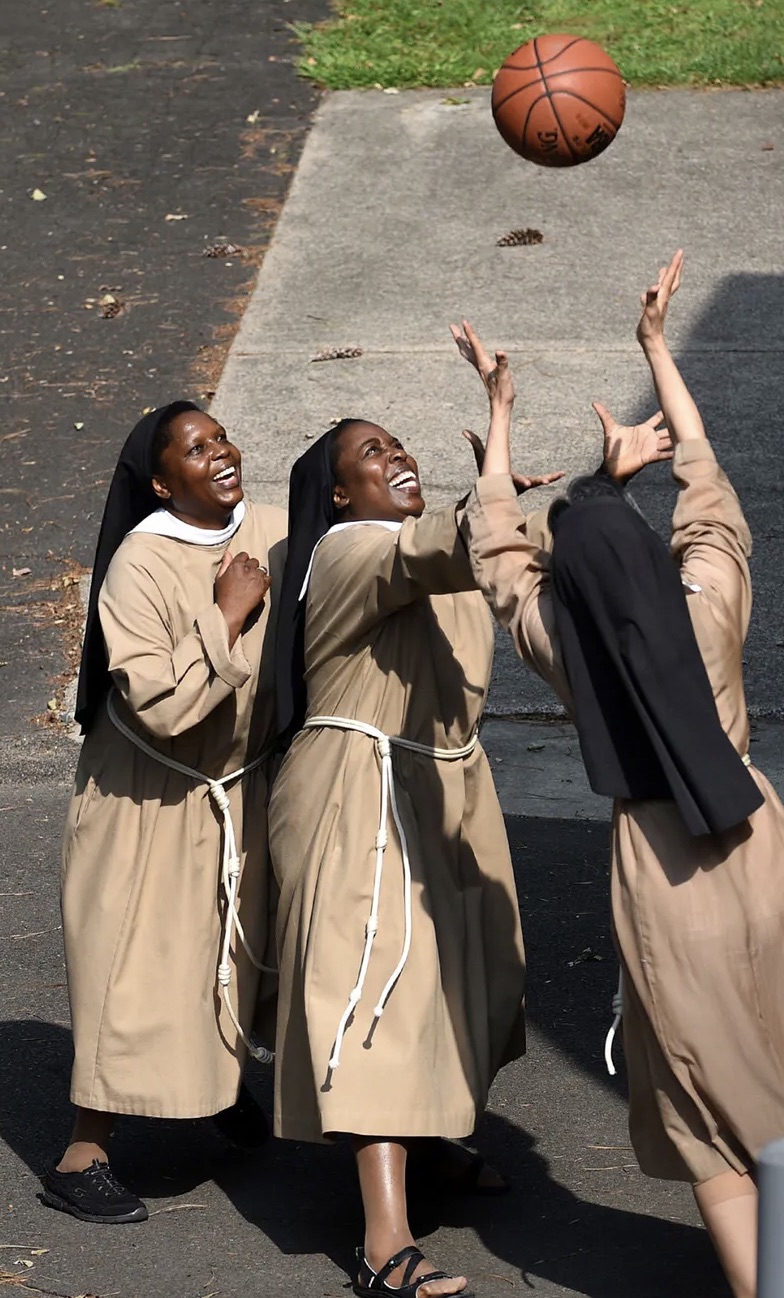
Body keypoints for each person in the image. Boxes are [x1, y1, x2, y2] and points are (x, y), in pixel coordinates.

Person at [453, 253, 784, 1298]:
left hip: (658, 872)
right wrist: (655, 348)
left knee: (710, 1092)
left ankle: (775, 1287)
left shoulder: (560, 650)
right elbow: (704, 477)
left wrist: (500, 415)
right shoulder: (706, 603)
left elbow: (500, 551)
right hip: (757, 839)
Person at [269, 409, 559, 1298]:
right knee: (379, 995)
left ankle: (429, 1150)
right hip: (361, 790)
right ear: (339, 492)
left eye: (397, 444)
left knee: (455, 979)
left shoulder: (422, 550)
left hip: (436, 787)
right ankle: (383, 1241)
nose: (396, 457)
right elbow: (445, 545)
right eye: (371, 454)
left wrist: (589, 486)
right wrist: (497, 452)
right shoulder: (347, 551)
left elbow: (497, 547)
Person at [41, 403, 287, 1225]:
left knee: (225, 952)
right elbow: (161, 706)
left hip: (233, 788)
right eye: (195, 448)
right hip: (145, 800)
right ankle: (84, 1152)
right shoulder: (138, 566)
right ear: (158, 481)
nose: (220, 452)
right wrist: (227, 613)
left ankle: (210, 1090)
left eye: (221, 438)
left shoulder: (276, 526)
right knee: (134, 969)